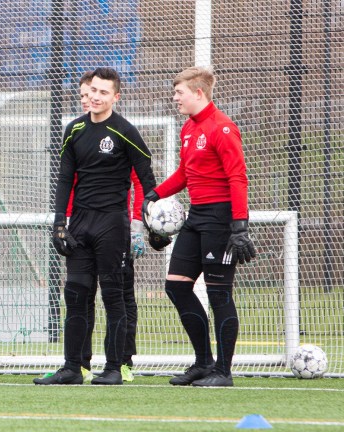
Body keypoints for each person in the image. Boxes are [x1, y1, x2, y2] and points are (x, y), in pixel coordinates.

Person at [34, 67, 155, 385]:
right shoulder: (74, 129)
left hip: (112, 225)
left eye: (104, 92)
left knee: (113, 296)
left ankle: (115, 367)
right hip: (80, 224)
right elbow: (64, 179)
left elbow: (147, 179)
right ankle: (73, 367)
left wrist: (147, 223)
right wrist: (59, 223)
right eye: (93, 91)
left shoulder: (125, 131)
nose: (96, 97)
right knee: (75, 295)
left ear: (116, 96)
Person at [142, 66, 255, 387]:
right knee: (176, 286)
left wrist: (239, 225)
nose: (175, 98)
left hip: (221, 219)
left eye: (179, 93)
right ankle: (204, 362)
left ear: (198, 93)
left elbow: (237, 177)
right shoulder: (189, 128)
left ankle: (224, 372)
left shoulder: (223, 128)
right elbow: (185, 173)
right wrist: (154, 195)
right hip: (196, 216)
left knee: (219, 295)